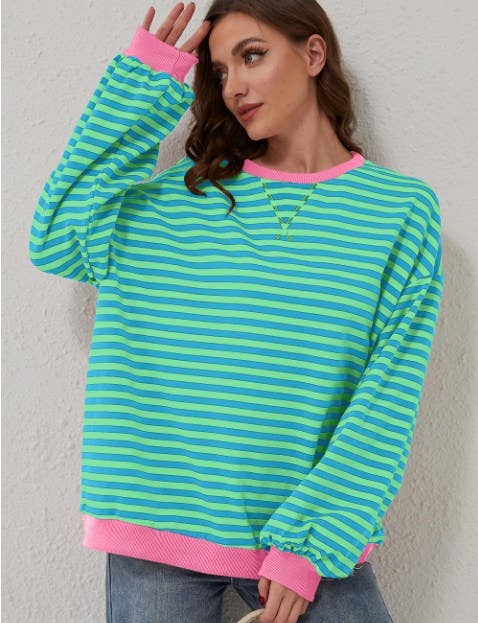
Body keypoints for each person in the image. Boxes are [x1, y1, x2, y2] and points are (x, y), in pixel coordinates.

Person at [28, 1, 444, 622]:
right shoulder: (177, 199)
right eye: (220, 72)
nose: (235, 87)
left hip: (306, 538)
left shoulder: (399, 211)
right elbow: (56, 239)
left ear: (313, 53)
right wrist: (142, 85)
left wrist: (311, 546)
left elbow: (389, 393)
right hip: (156, 524)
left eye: (252, 56)